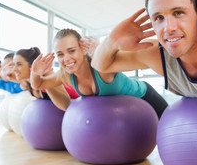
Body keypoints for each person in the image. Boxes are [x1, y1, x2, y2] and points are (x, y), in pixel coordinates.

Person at [30, 28, 168, 119]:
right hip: (124, 116)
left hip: (145, 98)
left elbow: (130, 56)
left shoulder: (100, 66)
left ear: (83, 49)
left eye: (72, 51)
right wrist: (35, 72)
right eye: (60, 54)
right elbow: (39, 84)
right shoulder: (65, 74)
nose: (66, 59)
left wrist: (103, 52)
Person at [11, 47, 78, 111]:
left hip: (80, 100)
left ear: (32, 66)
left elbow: (65, 105)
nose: (14, 69)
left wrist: (43, 81)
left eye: (19, 64)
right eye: (14, 64)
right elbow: (10, 77)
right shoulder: (27, 81)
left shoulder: (46, 75)